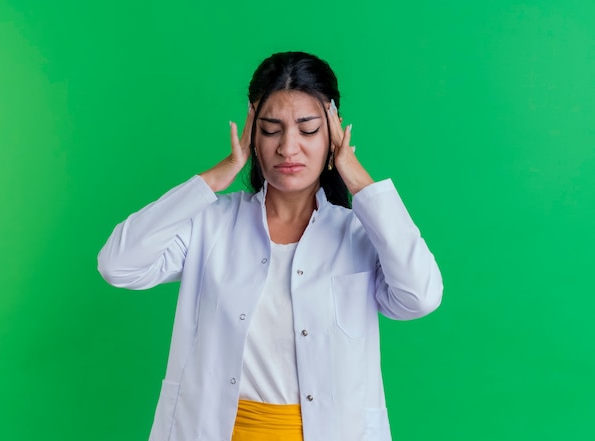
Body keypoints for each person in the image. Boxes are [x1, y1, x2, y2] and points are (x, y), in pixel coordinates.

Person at [98, 51, 443, 441]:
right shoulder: (211, 223)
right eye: (271, 129)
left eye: (308, 129)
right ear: (252, 134)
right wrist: (215, 177)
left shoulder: (360, 234)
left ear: (333, 132)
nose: (288, 147)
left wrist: (359, 181)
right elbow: (118, 264)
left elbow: (420, 296)